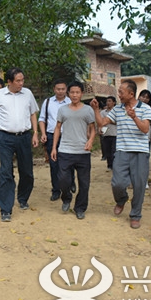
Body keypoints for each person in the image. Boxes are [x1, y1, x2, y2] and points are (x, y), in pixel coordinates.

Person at [90, 79, 151, 229]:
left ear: (131, 94)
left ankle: (135, 215)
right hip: (122, 151)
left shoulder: (145, 108)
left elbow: (145, 129)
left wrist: (134, 117)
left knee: (139, 185)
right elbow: (102, 123)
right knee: (117, 183)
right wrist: (96, 110)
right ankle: (122, 199)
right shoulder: (117, 109)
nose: (119, 94)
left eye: (121, 92)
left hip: (141, 152)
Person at [0, 67, 39, 222]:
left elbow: (33, 114)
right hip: (5, 138)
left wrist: (35, 133)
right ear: (9, 81)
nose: (21, 83)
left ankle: (23, 198)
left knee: (27, 172)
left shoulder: (28, 94)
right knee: (5, 172)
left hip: (24, 137)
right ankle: (5, 209)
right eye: (18, 80)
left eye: (22, 80)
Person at [51, 81, 95, 220]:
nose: (75, 95)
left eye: (77, 92)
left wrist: (90, 141)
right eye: (72, 92)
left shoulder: (88, 110)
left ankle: (80, 208)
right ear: (68, 94)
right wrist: (54, 148)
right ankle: (66, 198)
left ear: (82, 94)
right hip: (65, 150)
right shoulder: (63, 110)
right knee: (63, 180)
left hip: (82, 152)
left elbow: (93, 129)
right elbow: (57, 128)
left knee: (84, 183)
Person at [38, 79, 72, 201]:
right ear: (54, 89)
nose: (60, 91)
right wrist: (43, 133)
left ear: (66, 89)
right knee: (54, 164)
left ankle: (70, 183)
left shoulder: (70, 102)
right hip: (51, 135)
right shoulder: (48, 102)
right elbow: (42, 119)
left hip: (68, 136)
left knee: (69, 162)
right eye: (58, 89)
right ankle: (56, 190)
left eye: (63, 89)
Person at [100, 96, 117, 172]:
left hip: (115, 134)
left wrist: (109, 121)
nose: (108, 103)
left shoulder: (117, 111)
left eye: (110, 101)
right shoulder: (103, 112)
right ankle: (109, 165)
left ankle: (114, 165)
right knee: (107, 151)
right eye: (107, 101)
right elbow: (101, 122)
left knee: (114, 151)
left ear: (114, 102)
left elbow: (118, 121)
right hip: (106, 133)